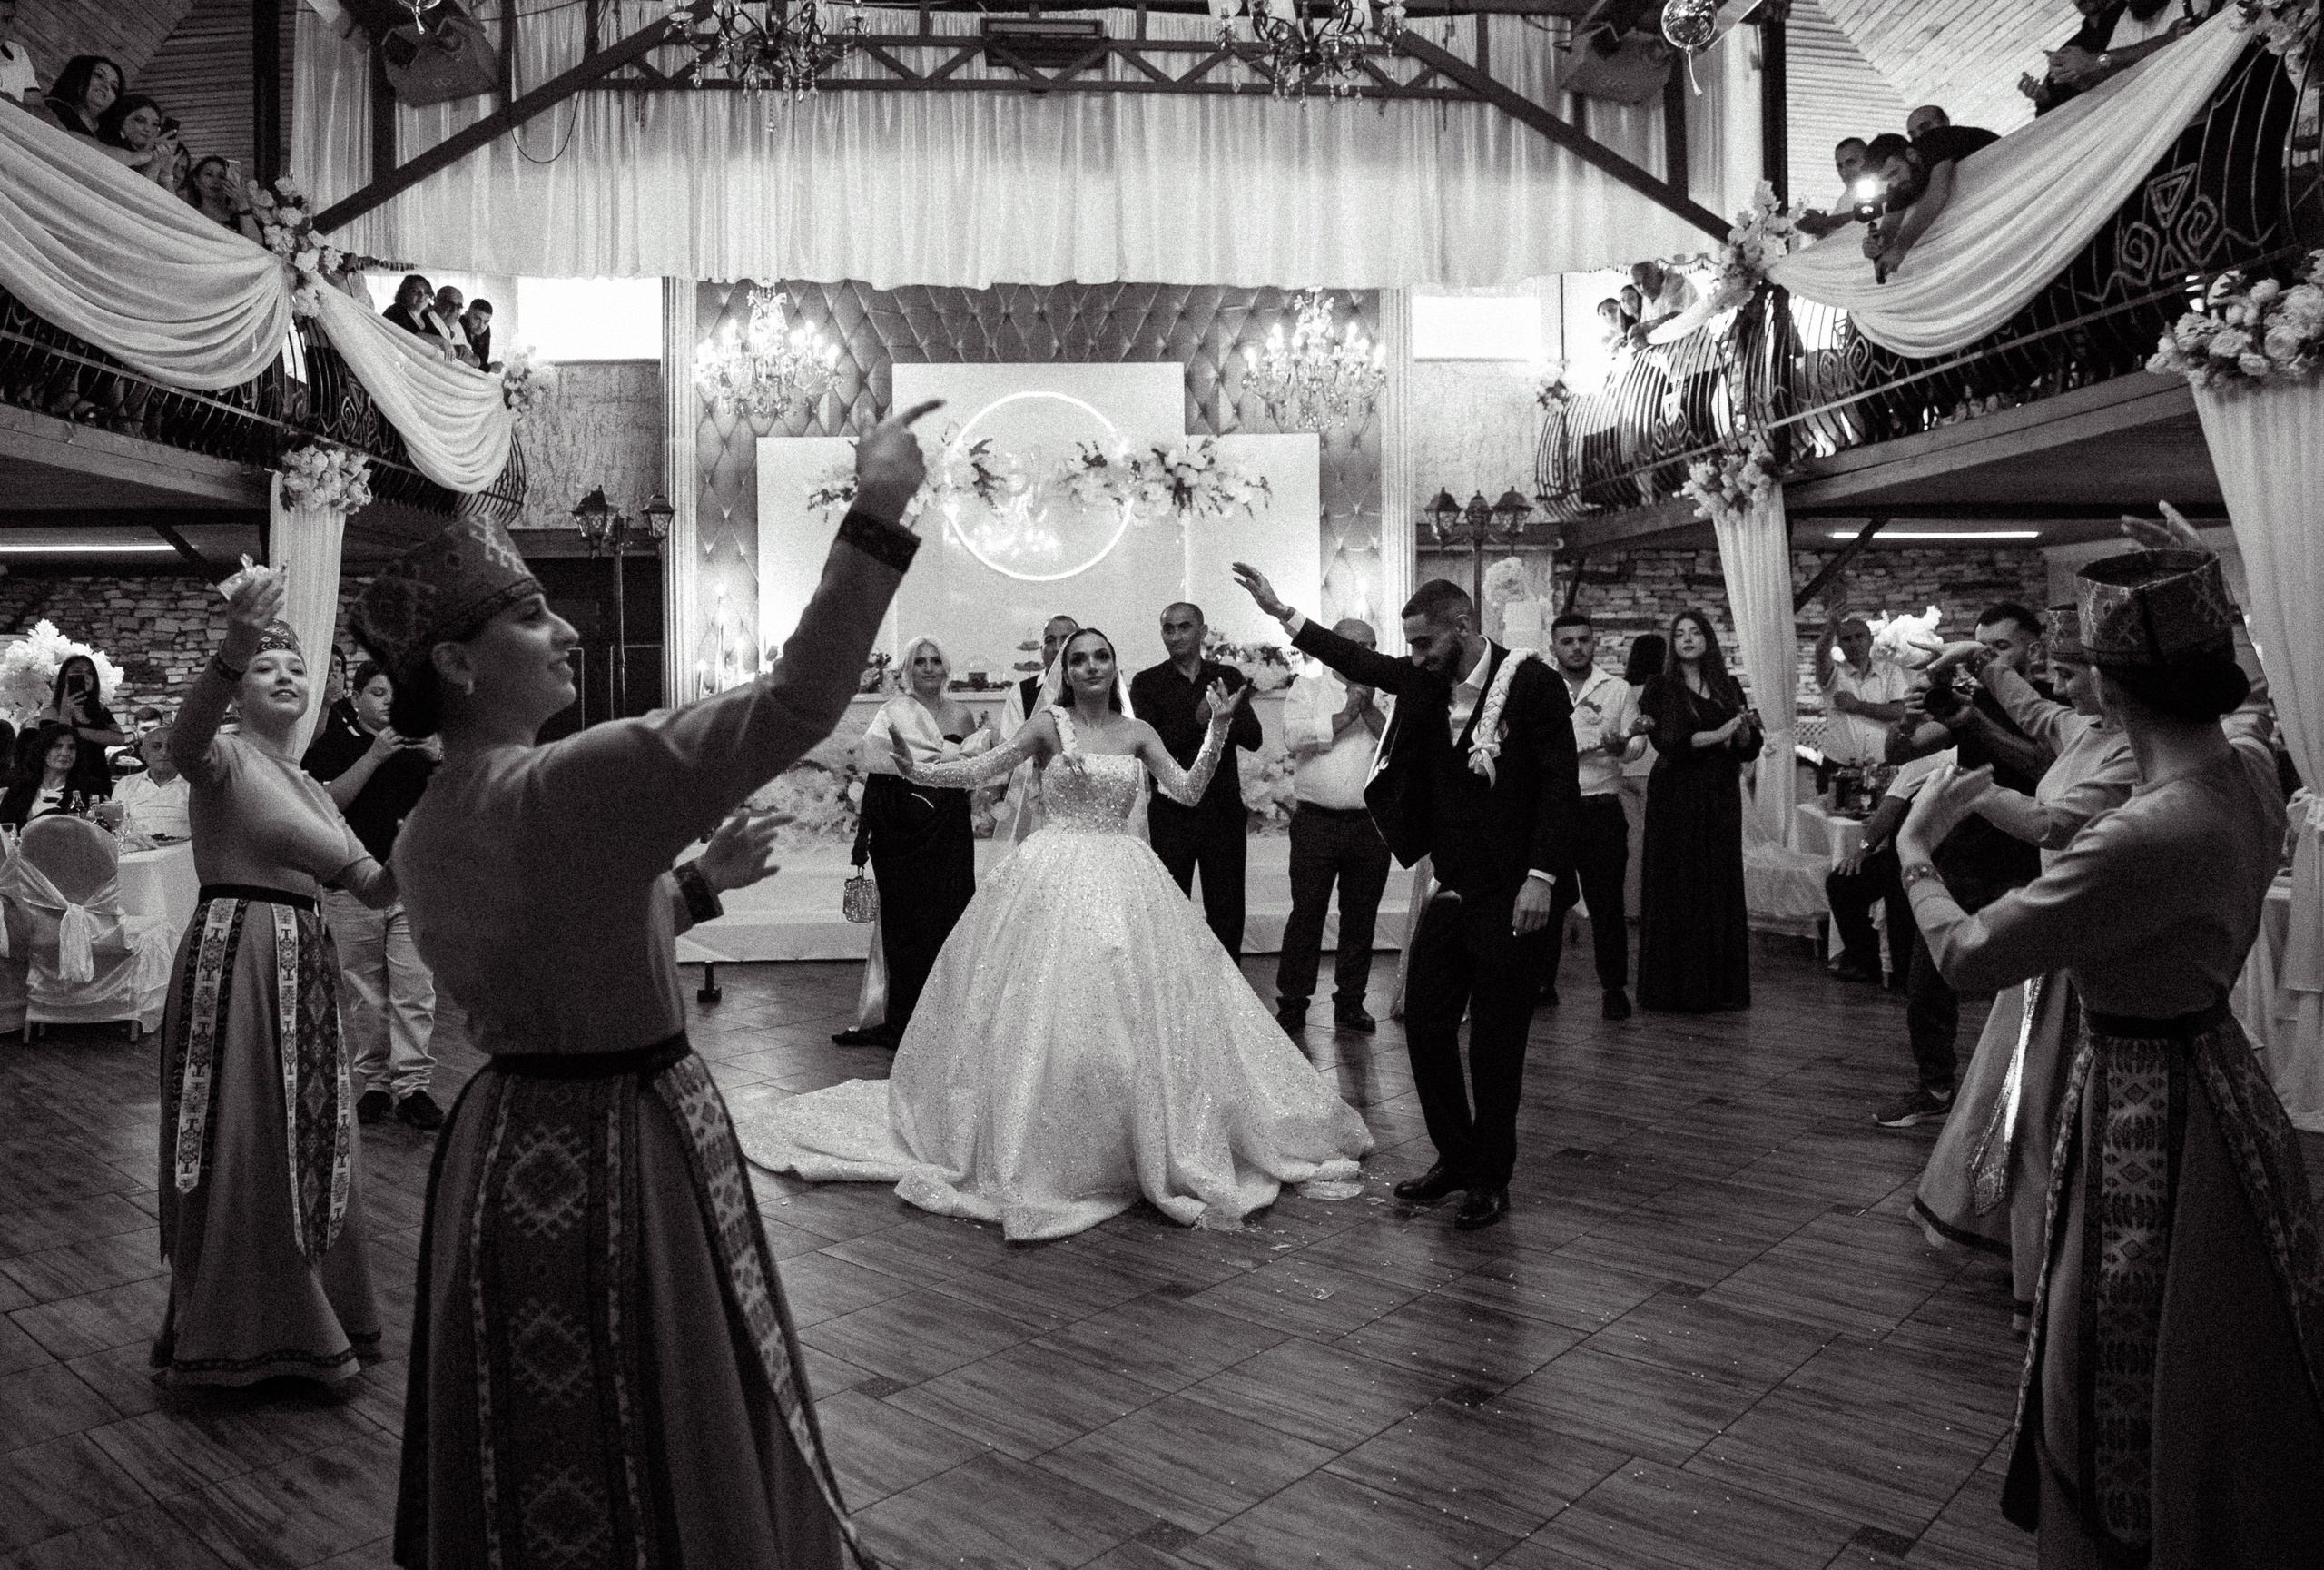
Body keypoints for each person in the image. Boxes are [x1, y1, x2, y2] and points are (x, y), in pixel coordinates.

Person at [367, 402, 941, 1570]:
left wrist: (691, 890)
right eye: (532, 615)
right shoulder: (572, 781)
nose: (568, 628)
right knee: (665, 1388)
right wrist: (875, 513)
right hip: (624, 1144)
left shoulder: (428, 825)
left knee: (529, 1414)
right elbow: (794, 704)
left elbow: (551, 942)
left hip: (498, 1143)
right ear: (457, 662)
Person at [1896, 543, 2321, 1569]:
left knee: (2120, 1339)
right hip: (2218, 1072)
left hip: (2144, 1101)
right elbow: (2055, 741)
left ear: (2116, 687)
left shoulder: (2144, 831)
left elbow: (1966, 954)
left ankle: (2138, 1526)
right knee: (2229, 1329)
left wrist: (1915, 849)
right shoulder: (2250, 770)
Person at [739, 627, 1371, 1240]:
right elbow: (984, 768)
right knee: (1045, 1009)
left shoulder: (1136, 731)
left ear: (1114, 666)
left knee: (1131, 1013)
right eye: (1079, 659)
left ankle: (1134, 1137)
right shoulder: (1049, 725)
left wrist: (1219, 727)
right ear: (1065, 671)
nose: (1091, 666)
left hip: (1125, 878)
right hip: (1051, 875)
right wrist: (920, 772)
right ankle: (1047, 1140)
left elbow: (1187, 788)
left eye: (1101, 656)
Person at [1233, 567, 1580, 1233]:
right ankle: (1454, 1154)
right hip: (1452, 886)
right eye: (1411, 647)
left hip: (1514, 889)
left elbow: (1560, 787)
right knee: (1424, 1023)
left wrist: (1541, 876)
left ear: (1463, 627)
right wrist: (1284, 612)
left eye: (1424, 644)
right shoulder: (1425, 679)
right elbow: (1359, 659)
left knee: (1497, 1043)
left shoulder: (1532, 684)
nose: (1414, 659)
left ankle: (1490, 1176)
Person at [153, 584, 399, 1387]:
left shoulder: (317, 791)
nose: (286, 674)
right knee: (238, 1135)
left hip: (308, 967)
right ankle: (227, 1327)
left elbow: (375, 885)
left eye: (297, 665)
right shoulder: (223, 756)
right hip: (235, 960)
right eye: (268, 665)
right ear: (240, 685)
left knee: (312, 1140)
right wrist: (234, 642)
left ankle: (316, 1310)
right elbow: (184, 740)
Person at [1908, 601, 2138, 1330]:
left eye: (2079, 673)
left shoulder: (2133, 754)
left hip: (2082, 948)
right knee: (2016, 1111)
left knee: (2045, 1117)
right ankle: (2026, 1255)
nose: (2064, 687)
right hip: (2050, 948)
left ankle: (2051, 1281)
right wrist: (1975, 662)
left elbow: (2052, 824)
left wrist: (1961, 798)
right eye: (2062, 671)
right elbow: (2034, 711)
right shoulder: (2089, 729)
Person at [1876, 604, 2053, 1128]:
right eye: (1979, 646)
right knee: (1927, 978)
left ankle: (2029, 1094)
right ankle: (1935, 1086)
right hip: (1966, 851)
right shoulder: (1967, 702)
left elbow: (2041, 764)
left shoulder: (2057, 703)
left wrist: (1976, 720)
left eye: (1999, 649)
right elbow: (1899, 752)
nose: (1985, 658)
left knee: (2031, 988)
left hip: (2029, 855)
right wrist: (1908, 721)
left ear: (2031, 650)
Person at [301, 661, 443, 1131]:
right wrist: (375, 755)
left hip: (414, 884)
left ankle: (414, 1085)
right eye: (379, 693)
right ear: (357, 697)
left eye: (395, 695)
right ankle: (376, 1084)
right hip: (350, 887)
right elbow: (323, 805)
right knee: (366, 992)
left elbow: (458, 798)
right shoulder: (334, 745)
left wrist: (441, 758)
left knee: (415, 987)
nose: (389, 703)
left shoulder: (423, 746)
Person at [832, 636, 992, 1050]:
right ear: (907, 670)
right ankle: (900, 1020)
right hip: (900, 832)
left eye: (935, 660)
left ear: (946, 667)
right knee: (904, 926)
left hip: (949, 829)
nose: (928, 667)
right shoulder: (892, 712)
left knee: (949, 917)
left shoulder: (963, 714)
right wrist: (864, 839)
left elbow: (969, 775)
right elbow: (875, 776)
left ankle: (948, 1017)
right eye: (919, 661)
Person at [1635, 610, 1758, 1012]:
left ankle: (1719, 989)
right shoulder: (1659, 686)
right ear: (1672, 643)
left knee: (1717, 881)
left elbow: (1748, 747)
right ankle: (1674, 989)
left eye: (1695, 632)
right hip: (1676, 793)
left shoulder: (1727, 685)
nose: (1687, 639)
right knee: (1681, 884)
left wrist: (1740, 732)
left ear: (1708, 640)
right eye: (1680, 634)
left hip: (1720, 793)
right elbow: (1670, 740)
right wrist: (1721, 733)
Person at [1275, 618, 1393, 1036]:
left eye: (1371, 644)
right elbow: (1293, 737)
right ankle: (1293, 1002)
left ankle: (1351, 1002)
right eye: (1354, 644)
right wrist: (1345, 714)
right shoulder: (1307, 688)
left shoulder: (1391, 693)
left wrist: (1368, 707)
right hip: (1316, 823)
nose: (1365, 652)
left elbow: (1398, 745)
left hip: (1370, 824)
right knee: (1307, 914)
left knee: (1361, 916)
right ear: (1332, 646)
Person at [1130, 601, 1264, 958]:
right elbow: (1148, 745)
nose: (1175, 636)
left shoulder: (1226, 677)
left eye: (1184, 627)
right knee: (1170, 909)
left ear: (1202, 632)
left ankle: (1230, 994)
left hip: (1222, 811)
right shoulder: (1147, 683)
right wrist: (1202, 720)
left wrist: (1226, 717)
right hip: (1171, 814)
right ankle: (1175, 994)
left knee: (1227, 910)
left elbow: (1254, 737)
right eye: (1168, 629)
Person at [1541, 611, 1645, 1021]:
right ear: (1554, 648)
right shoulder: (1539, 687)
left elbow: (1637, 744)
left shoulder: (1616, 689)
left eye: (1583, 640)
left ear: (1594, 643)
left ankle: (1614, 988)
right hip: (1551, 810)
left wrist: (1623, 747)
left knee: (1607, 906)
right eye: (1567, 642)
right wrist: (1583, 747)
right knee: (1547, 902)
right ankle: (1542, 983)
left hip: (1601, 807)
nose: (1577, 647)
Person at [1826, 747, 1954, 986]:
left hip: (1914, 857)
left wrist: (1863, 849)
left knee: (1842, 882)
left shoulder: (1926, 757)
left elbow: (1891, 808)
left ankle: (1869, 964)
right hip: (1952, 857)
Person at [993, 613, 1078, 841]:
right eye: (1050, 641)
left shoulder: (1093, 688)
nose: (1058, 647)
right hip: (1034, 802)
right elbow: (1010, 750)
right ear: (1041, 648)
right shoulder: (1021, 693)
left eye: (1066, 639)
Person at [1816, 615, 1913, 767]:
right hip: (1837, 764)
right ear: (1839, 644)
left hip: (1881, 765)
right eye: (1847, 639)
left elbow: (1899, 711)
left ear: (1871, 640)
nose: (1854, 643)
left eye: (1859, 636)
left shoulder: (1890, 671)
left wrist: (1858, 706)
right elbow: (1821, 653)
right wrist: (1832, 626)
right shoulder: (1833, 673)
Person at [1617, 631, 1663, 920]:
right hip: (1653, 771)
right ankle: (1655, 909)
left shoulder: (1621, 688)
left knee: (1632, 842)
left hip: (1623, 770)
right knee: (1657, 842)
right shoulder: (1663, 689)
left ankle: (1630, 908)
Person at [33, 655, 121, 801]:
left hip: (99, 775)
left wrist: (78, 730)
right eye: (78, 671)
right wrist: (66, 714)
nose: (85, 676)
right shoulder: (51, 712)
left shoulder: (99, 709)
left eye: (90, 672)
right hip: (65, 778)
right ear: (65, 678)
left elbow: (119, 738)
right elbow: (53, 745)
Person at [0, 722, 97, 828]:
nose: (65, 753)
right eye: (57, 746)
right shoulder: (18, 786)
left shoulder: (88, 789)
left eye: (71, 748)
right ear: (43, 750)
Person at [112, 723, 190, 841]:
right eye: (156, 747)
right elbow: (118, 827)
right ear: (143, 753)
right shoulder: (126, 784)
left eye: (170, 747)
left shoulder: (194, 786)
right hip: (137, 853)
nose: (164, 752)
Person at [94, 93, 183, 192]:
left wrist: (155, 162)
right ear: (122, 118)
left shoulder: (149, 154)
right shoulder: (99, 142)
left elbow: (144, 192)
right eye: (140, 120)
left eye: (154, 124)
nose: (148, 129)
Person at [1796, 137, 1874, 239]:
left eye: (1850, 163)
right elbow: (1833, 236)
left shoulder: (1883, 184)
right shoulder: (1845, 198)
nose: (1844, 172)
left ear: (1868, 160)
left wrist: (1825, 222)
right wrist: (1818, 227)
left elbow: (1872, 214)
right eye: (1840, 166)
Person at [38, 54, 121, 140]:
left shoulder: (110, 139)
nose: (106, 86)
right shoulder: (52, 107)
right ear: (79, 76)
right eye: (99, 76)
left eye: (114, 87)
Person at [185, 155, 263, 243]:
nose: (215, 181)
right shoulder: (190, 215)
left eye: (221, 176)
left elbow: (256, 245)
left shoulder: (238, 218)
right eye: (209, 174)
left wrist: (242, 204)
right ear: (196, 180)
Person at [1626, 259, 1699, 345]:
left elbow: (1676, 318)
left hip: (1694, 344)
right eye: (1637, 284)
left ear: (1657, 273)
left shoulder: (1675, 281)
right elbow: (1645, 330)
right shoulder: (1646, 298)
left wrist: (1644, 327)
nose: (1643, 287)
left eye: (1647, 279)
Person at [383, 274, 455, 358]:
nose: (422, 296)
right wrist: (441, 341)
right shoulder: (395, 311)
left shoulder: (425, 315)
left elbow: (438, 337)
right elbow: (408, 336)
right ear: (404, 293)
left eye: (426, 292)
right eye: (415, 291)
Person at [459, 297, 497, 371]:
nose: (481, 326)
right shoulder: (459, 323)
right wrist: (489, 368)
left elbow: (483, 360)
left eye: (486, 322)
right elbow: (465, 359)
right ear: (467, 314)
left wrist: (477, 361)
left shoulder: (486, 330)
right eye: (477, 319)